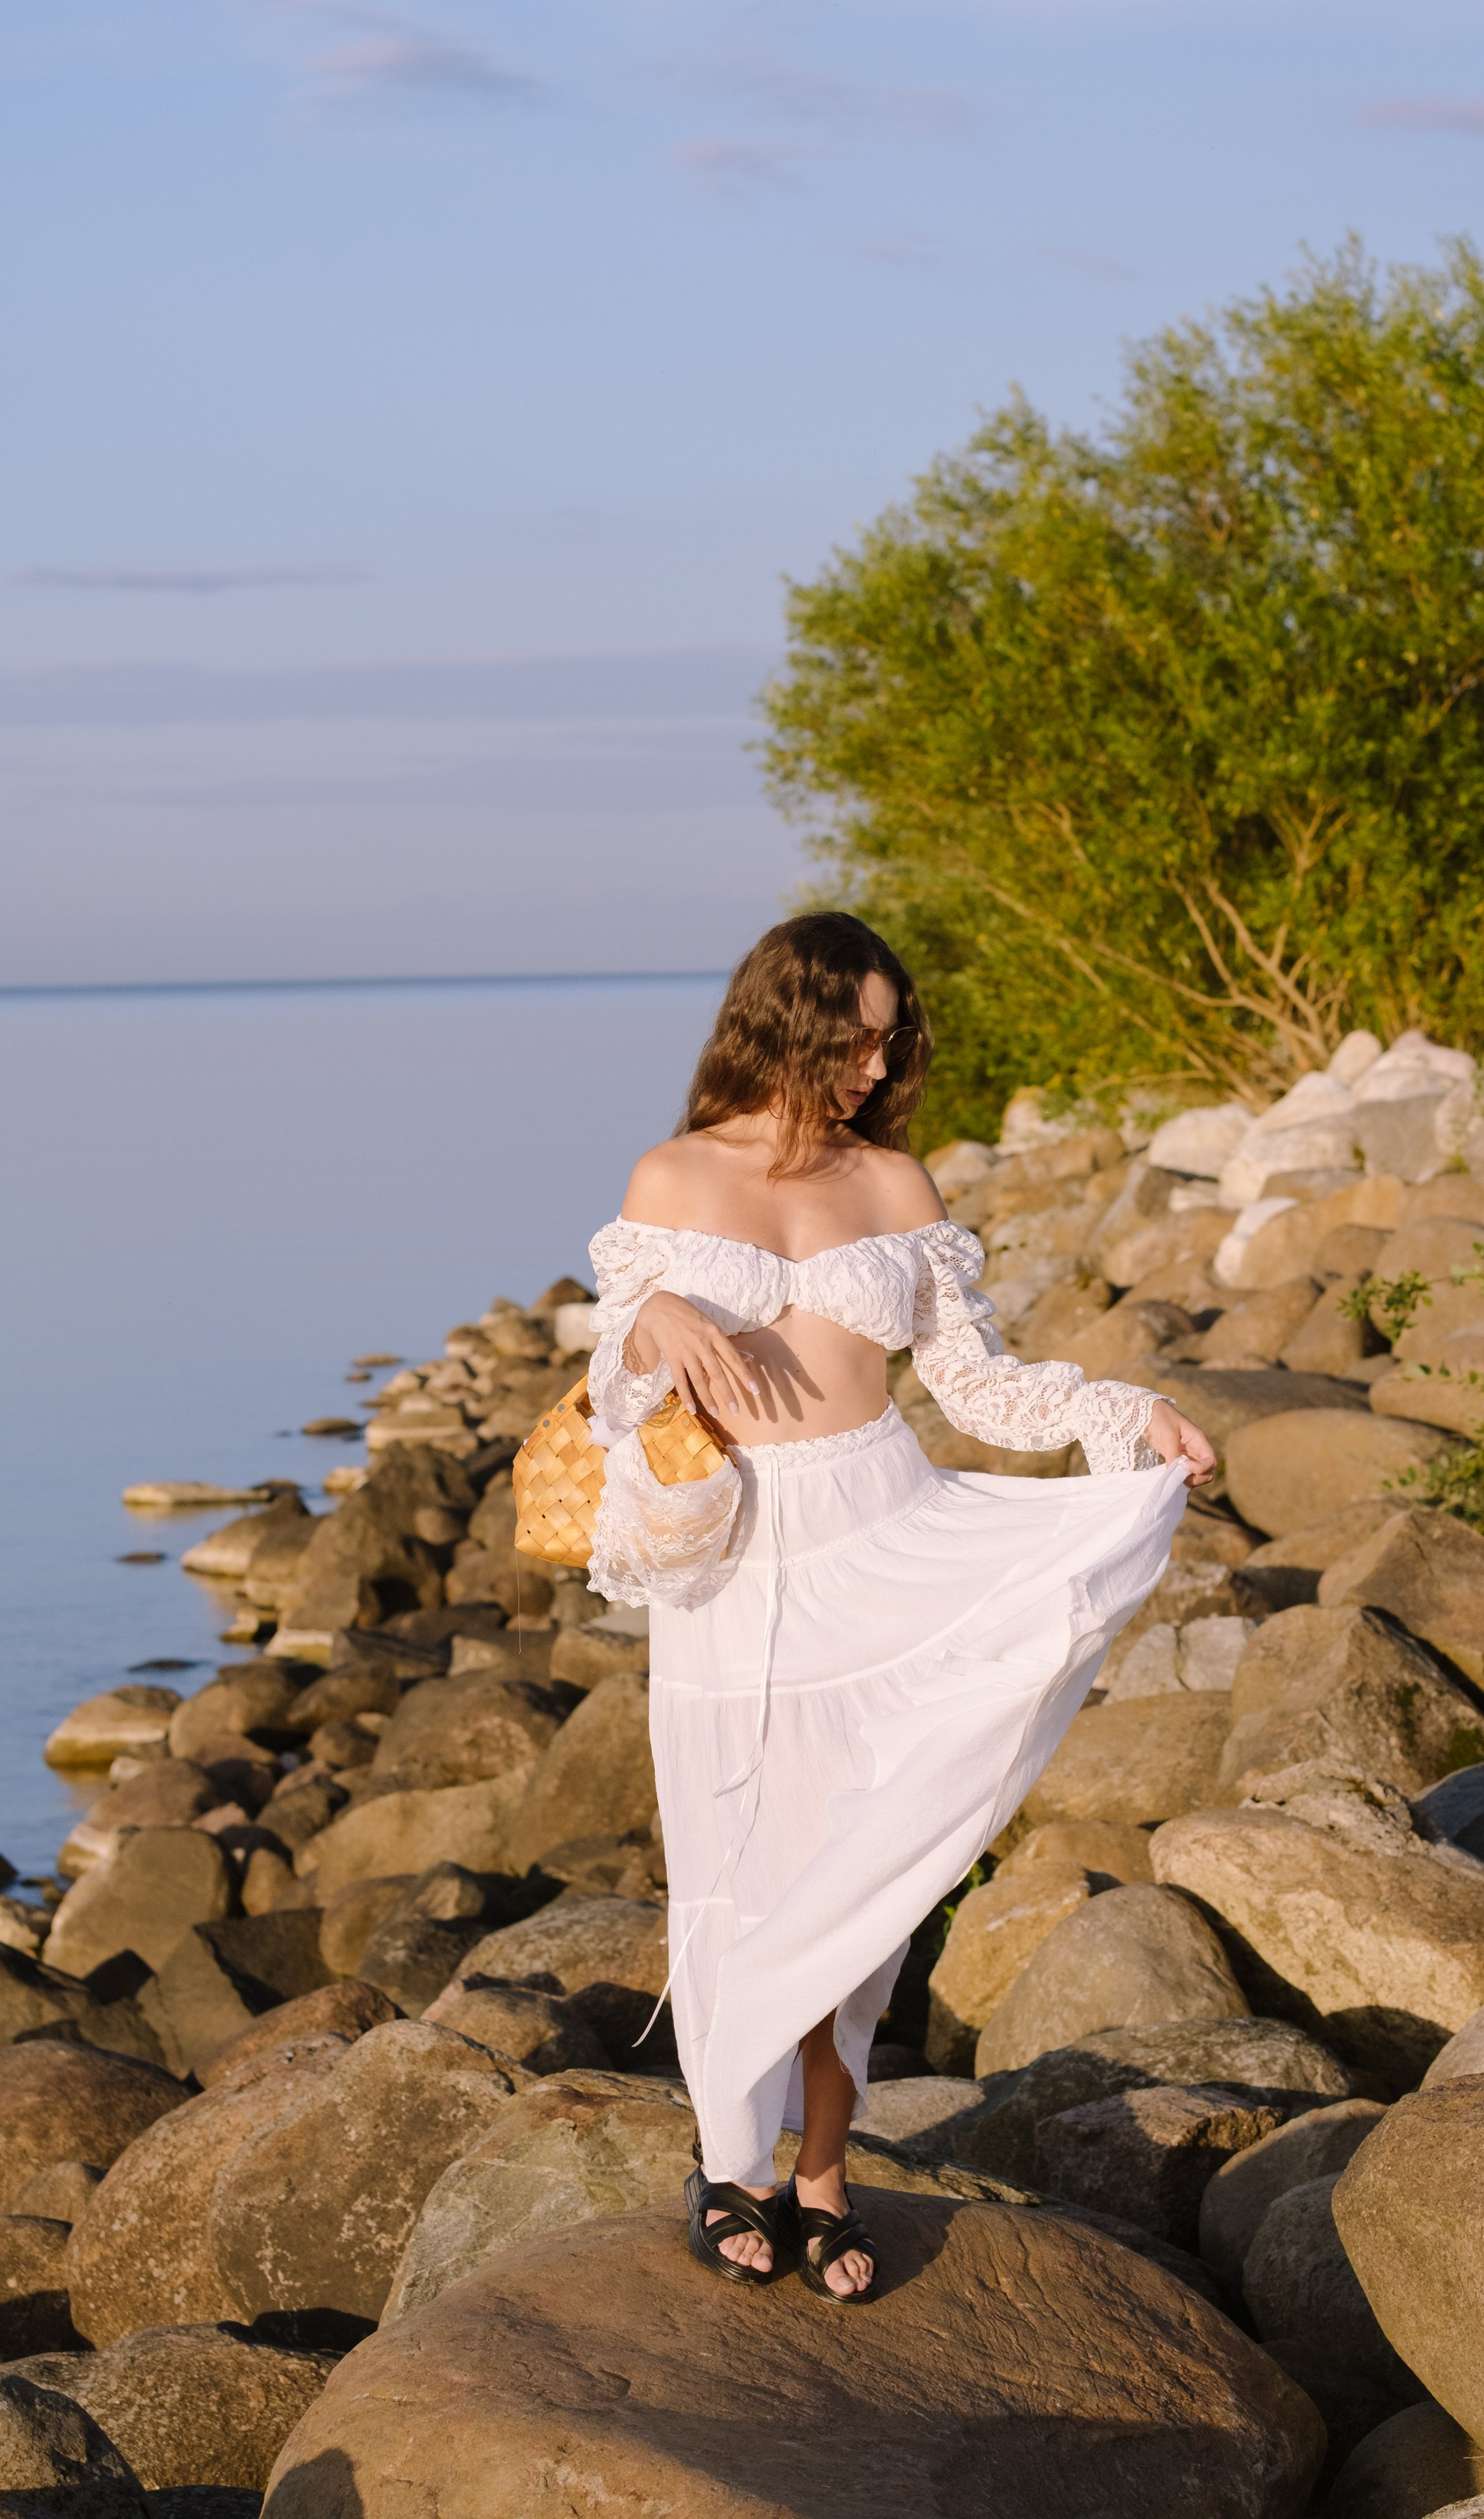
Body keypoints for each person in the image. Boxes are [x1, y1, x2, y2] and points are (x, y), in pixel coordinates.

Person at [583, 912, 1216, 2303]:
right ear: (779, 1025)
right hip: (739, 1573)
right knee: (743, 1873)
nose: (874, 1064)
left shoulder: (895, 1181)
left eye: (888, 1038)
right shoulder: (672, 1175)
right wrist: (654, 1326)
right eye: (849, 1037)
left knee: (862, 1889)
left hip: (887, 1526)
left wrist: (1124, 1410)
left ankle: (820, 2174)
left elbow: (975, 1387)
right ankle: (729, 2166)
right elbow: (614, 1383)